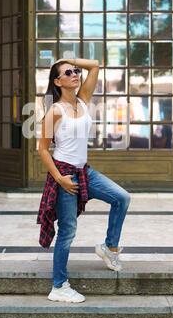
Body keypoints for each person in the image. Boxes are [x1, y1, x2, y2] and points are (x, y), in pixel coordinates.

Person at [37, 57, 131, 303]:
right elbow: (43, 149)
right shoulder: (54, 111)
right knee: (67, 231)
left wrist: (66, 60)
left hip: (84, 171)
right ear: (58, 81)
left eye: (76, 71)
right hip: (65, 174)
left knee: (121, 197)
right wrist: (59, 179)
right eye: (68, 72)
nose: (75, 74)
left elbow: (96, 65)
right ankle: (58, 286)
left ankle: (109, 248)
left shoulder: (83, 100)